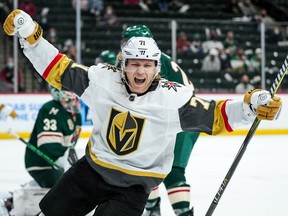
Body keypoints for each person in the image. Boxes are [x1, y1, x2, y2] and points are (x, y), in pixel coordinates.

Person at [3, 10, 282, 216]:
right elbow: (58, 69)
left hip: (133, 188)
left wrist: (249, 106)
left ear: (157, 68)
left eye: (147, 65)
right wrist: (31, 37)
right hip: (91, 171)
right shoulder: (103, 80)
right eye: (134, 64)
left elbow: (216, 115)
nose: (140, 71)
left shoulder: (172, 99)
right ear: (122, 64)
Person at [121, 24, 200, 216]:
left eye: (128, 42)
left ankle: (182, 213)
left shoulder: (151, 60)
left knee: (173, 170)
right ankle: (153, 209)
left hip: (183, 119)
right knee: (148, 165)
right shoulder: (146, 59)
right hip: (171, 118)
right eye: (124, 42)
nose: (124, 46)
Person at [25, 87, 82, 188]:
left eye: (75, 99)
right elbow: (49, 147)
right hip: (42, 164)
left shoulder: (76, 115)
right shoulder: (51, 110)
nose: (73, 103)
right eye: (68, 100)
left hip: (60, 164)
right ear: (58, 96)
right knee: (68, 187)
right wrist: (66, 161)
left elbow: (70, 146)